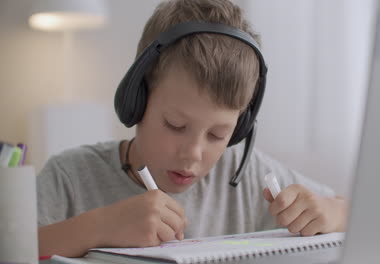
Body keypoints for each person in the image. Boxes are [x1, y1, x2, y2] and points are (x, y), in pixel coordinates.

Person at [37, 0, 348, 258]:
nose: (193, 154)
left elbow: (354, 214)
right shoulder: (70, 178)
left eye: (217, 135)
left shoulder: (247, 176)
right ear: (137, 99)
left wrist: (329, 214)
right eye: (176, 125)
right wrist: (100, 226)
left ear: (240, 127)